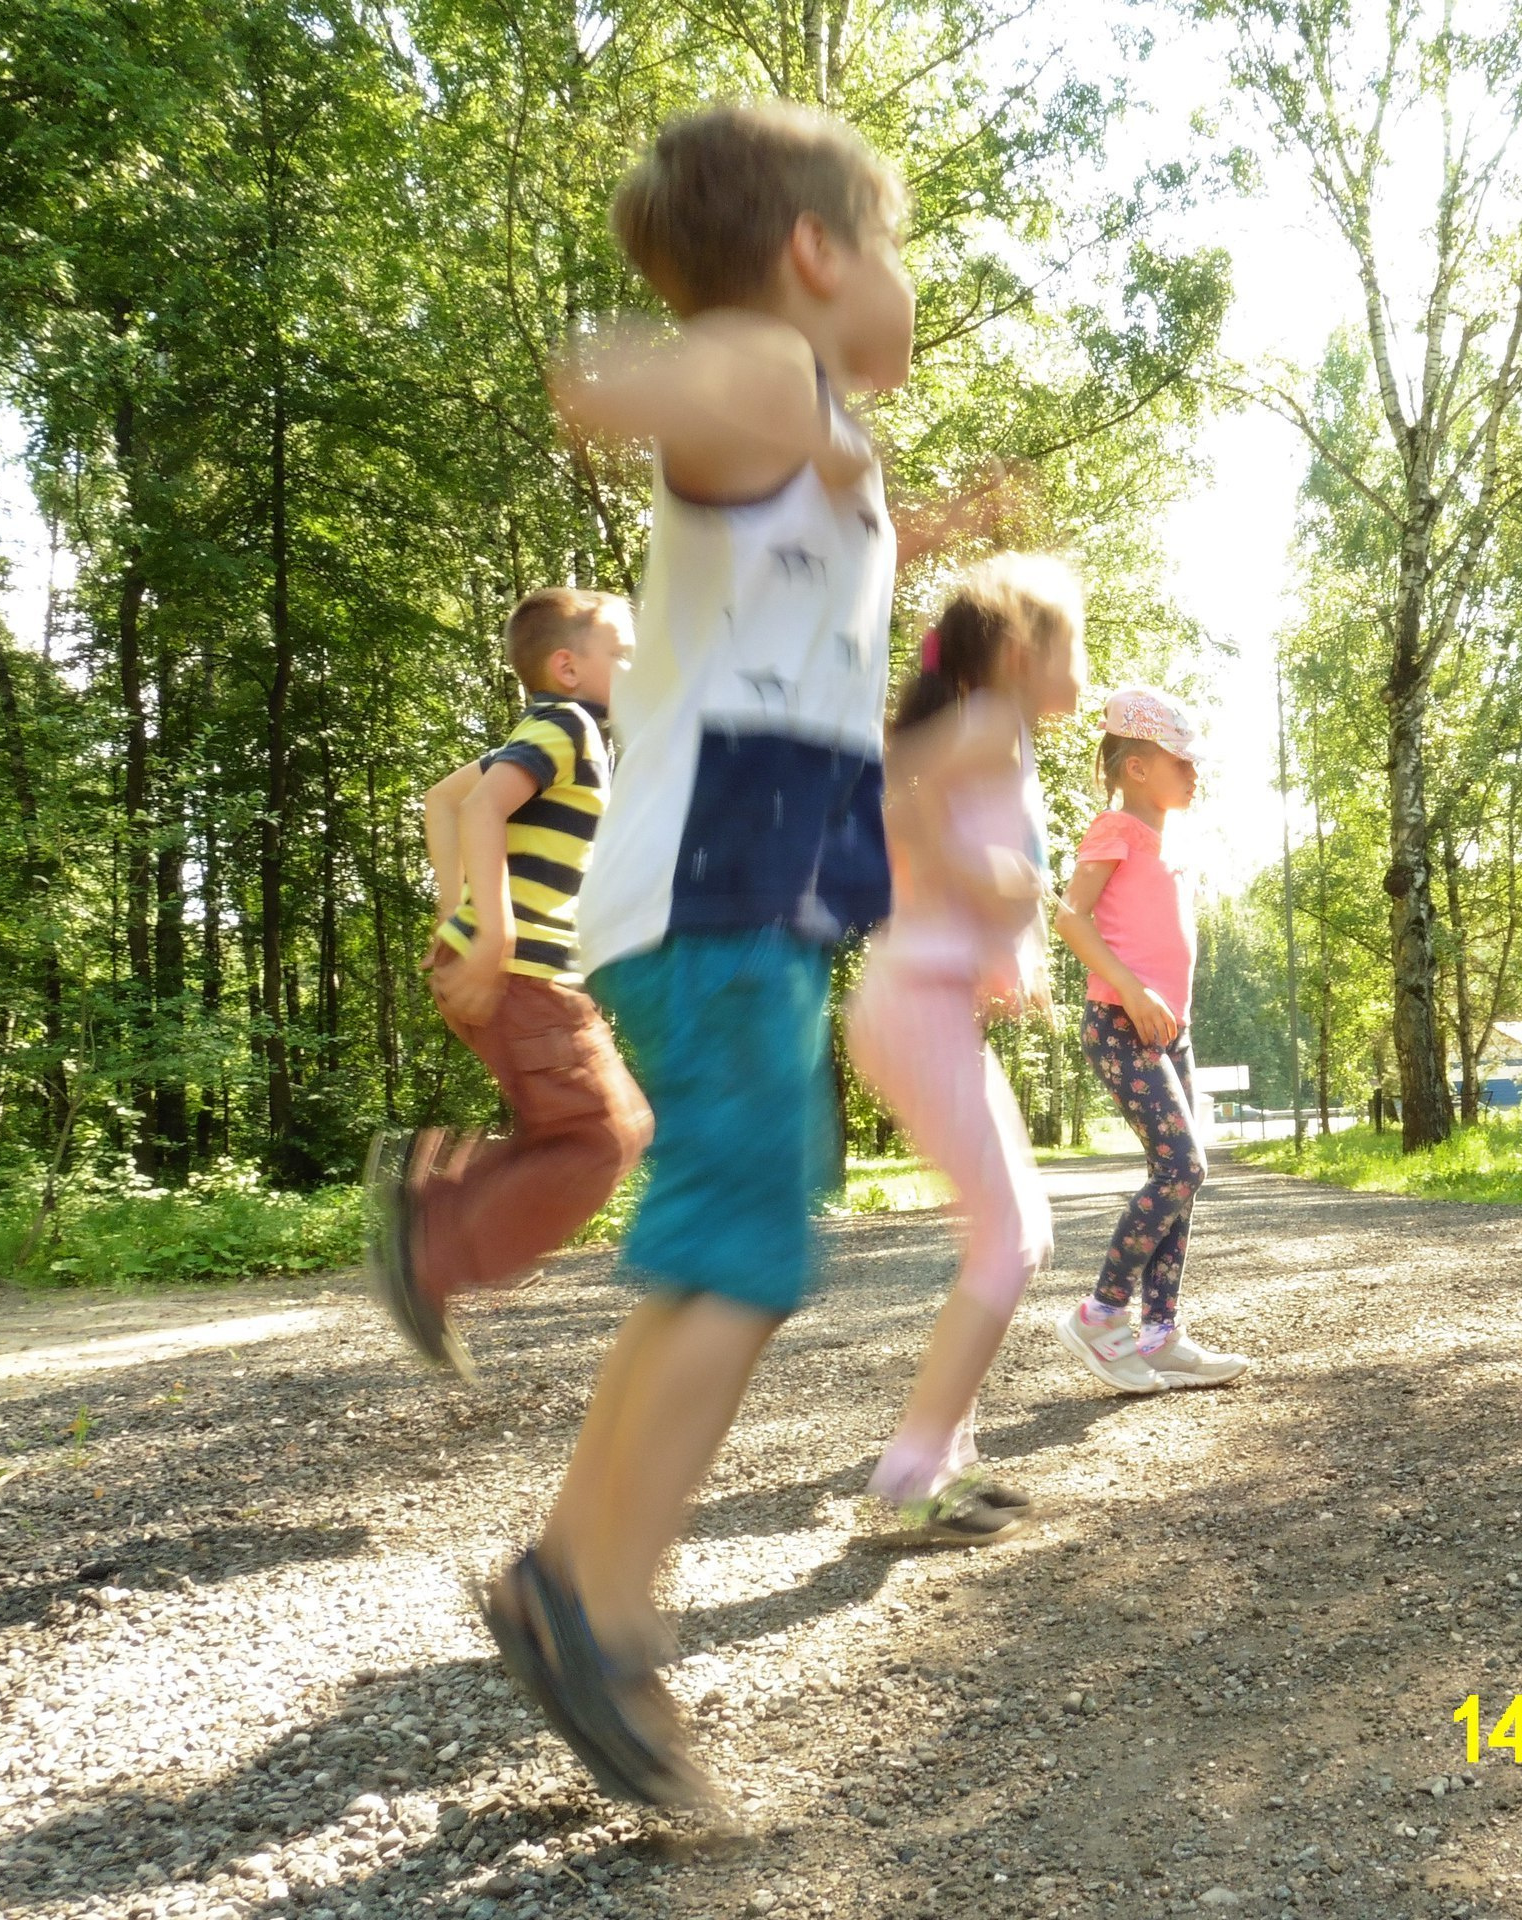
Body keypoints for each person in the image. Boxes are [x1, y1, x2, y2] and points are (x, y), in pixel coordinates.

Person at [462, 99, 1002, 1810]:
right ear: (816, 256)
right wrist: (696, 383)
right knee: (747, 1248)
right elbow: (610, 383)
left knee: (720, 1249)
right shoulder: (769, 375)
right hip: (715, 890)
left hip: (730, 892)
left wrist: (884, 516)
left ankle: (570, 1572)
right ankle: (598, 1612)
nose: (907, 286)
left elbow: (779, 602)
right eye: (892, 249)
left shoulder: (816, 428)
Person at [844, 554, 1083, 1544]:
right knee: (1011, 1236)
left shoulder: (1004, 735)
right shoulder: (988, 723)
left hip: (928, 1002)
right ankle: (909, 1475)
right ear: (1023, 653)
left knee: (1003, 1230)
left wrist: (1008, 953)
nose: (1084, 667)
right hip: (912, 1002)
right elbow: (890, 796)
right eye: (1077, 643)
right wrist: (988, 883)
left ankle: (945, 1462)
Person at [364, 589, 651, 1379]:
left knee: (597, 1132)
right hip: (523, 974)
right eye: (624, 651)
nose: (638, 665)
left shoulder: (556, 733)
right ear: (568, 664)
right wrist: (489, 933)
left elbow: (444, 799)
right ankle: (429, 1241)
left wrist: (456, 912)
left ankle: (429, 1199)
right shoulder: (569, 726)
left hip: (516, 972)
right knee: (601, 1138)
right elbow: (482, 806)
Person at [1051, 689, 1248, 1393]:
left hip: (1170, 1034)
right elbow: (1071, 918)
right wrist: (1132, 991)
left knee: (1187, 1181)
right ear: (1136, 766)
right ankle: (1101, 1314)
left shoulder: (1164, 844)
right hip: (1121, 1024)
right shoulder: (1114, 829)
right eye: (1180, 761)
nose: (1195, 773)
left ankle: (1161, 1332)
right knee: (1182, 1168)